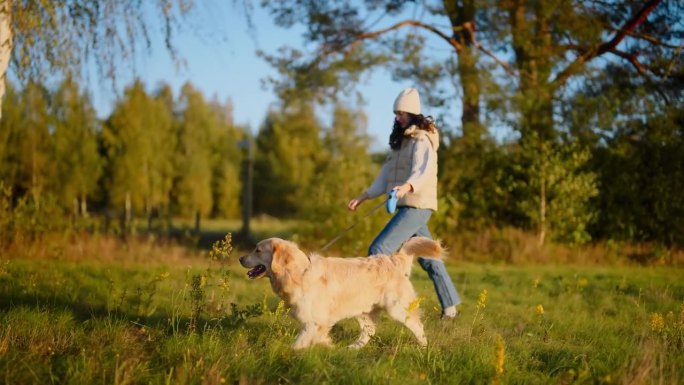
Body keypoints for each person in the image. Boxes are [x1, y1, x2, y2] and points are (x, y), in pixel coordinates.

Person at [347, 87, 461, 318]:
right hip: (406, 204)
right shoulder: (400, 143)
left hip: (418, 204)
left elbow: (423, 169)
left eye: (402, 113)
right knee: (429, 257)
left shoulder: (422, 139)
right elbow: (386, 174)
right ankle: (450, 308)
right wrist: (364, 196)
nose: (397, 117)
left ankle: (372, 305)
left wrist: (408, 186)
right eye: (396, 113)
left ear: (413, 114)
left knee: (379, 250)